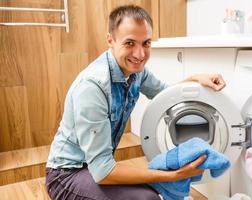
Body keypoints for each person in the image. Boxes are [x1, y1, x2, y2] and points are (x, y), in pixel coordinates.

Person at [46, 4, 226, 200]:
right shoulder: (93, 88)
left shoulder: (136, 73)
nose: (140, 54)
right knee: (147, 197)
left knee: (153, 191)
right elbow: (103, 171)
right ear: (110, 40)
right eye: (130, 43)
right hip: (66, 175)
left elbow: (165, 95)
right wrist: (172, 175)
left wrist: (196, 78)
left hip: (95, 166)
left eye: (146, 43)